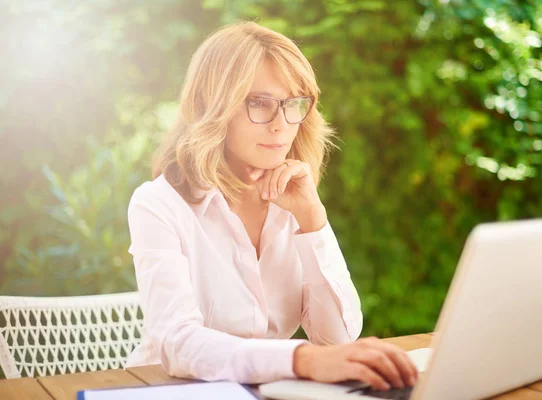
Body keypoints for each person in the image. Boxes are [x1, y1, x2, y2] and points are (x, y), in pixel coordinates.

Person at [125, 20, 419, 391]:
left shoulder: (292, 199)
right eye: (260, 103)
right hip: (165, 391)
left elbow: (338, 341)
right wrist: (300, 358)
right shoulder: (158, 204)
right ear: (213, 107)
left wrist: (312, 220)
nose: (281, 124)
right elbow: (178, 344)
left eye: (294, 104)